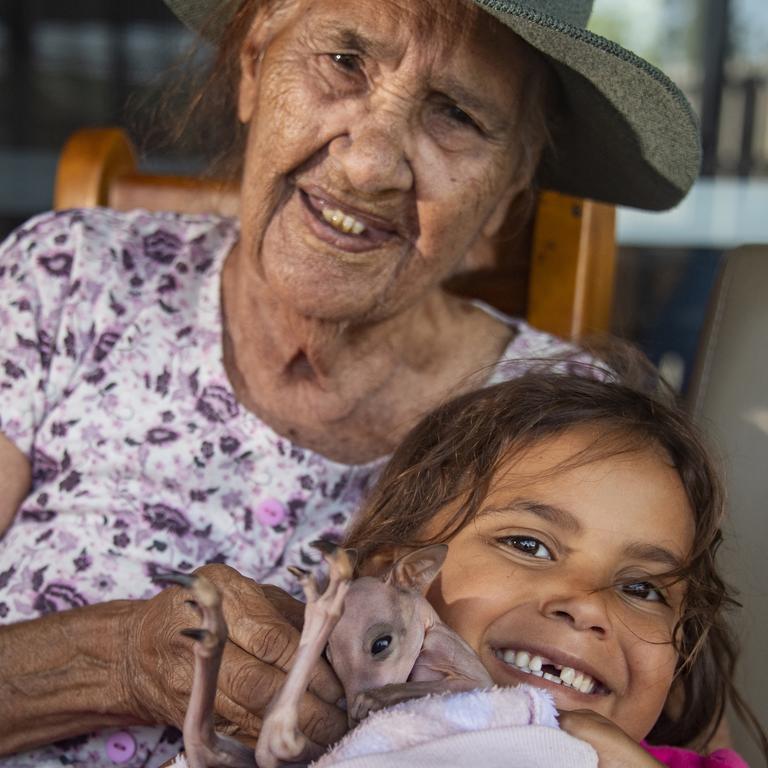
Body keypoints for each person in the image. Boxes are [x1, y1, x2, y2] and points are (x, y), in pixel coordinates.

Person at [0, 0, 700, 765]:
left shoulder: (568, 416)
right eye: (344, 62)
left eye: (456, 114)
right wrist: (118, 658)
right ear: (254, 64)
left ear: (509, 192)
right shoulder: (72, 282)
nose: (368, 164)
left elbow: (660, 733)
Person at [340, 371, 767, 767]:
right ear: (393, 578)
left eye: (641, 589)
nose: (587, 606)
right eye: (529, 546)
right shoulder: (294, 730)